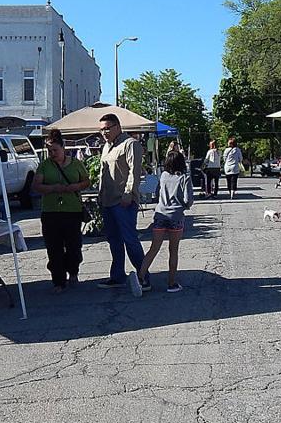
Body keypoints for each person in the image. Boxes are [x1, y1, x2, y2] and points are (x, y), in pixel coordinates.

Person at [32, 129, 90, 293]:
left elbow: (86, 182)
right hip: (50, 212)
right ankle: (58, 280)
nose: (52, 154)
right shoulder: (45, 165)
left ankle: (73, 271)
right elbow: (36, 186)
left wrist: (75, 186)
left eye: (55, 150)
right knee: (54, 248)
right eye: (49, 151)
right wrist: (52, 188)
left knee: (74, 246)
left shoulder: (76, 164)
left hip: (72, 211)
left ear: (63, 148)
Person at [95, 113, 147, 295]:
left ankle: (144, 277)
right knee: (114, 241)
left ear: (117, 127)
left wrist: (129, 193)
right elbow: (103, 174)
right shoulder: (106, 147)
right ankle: (117, 276)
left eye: (107, 128)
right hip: (107, 201)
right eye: (101, 130)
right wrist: (100, 194)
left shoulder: (130, 144)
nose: (104, 132)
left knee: (130, 239)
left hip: (123, 201)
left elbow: (135, 171)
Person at [138, 151, 194, 294]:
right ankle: (171, 283)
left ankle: (140, 278)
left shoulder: (163, 176)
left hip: (160, 215)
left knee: (154, 248)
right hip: (176, 216)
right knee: (173, 250)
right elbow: (188, 200)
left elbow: (157, 194)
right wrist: (184, 206)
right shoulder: (185, 178)